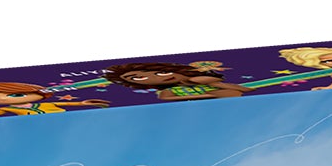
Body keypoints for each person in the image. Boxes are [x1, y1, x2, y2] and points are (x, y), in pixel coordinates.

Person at [103, 60, 245, 101]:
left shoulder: (201, 80)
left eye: (163, 72)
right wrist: (207, 95)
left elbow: (245, 90)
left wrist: (213, 83)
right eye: (139, 78)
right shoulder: (169, 91)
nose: (159, 77)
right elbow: (166, 98)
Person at [0, 80, 108, 116]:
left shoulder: (47, 104)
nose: (3, 99)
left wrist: (83, 103)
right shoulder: (7, 108)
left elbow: (68, 104)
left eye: (16, 95)